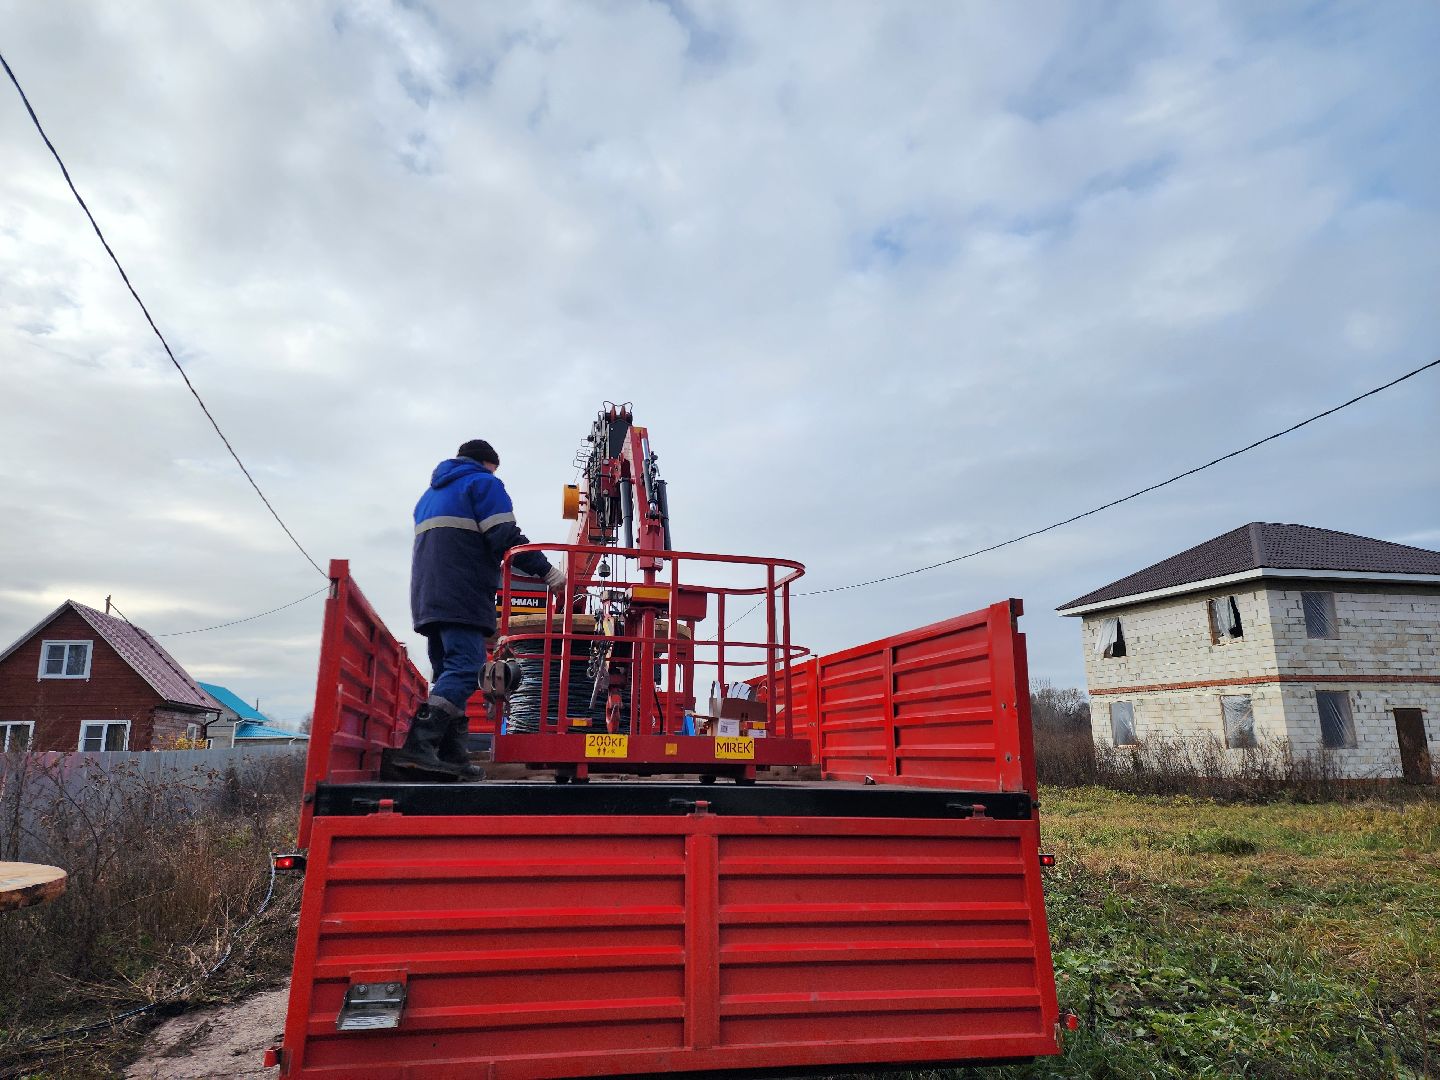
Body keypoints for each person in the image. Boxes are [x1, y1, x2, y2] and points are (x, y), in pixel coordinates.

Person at [386, 438, 564, 781]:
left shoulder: (429, 496)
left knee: (448, 673)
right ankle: (418, 747)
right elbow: (505, 536)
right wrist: (546, 570)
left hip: (429, 598)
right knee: (467, 668)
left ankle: (450, 756)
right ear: (488, 464)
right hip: (461, 594)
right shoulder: (483, 483)